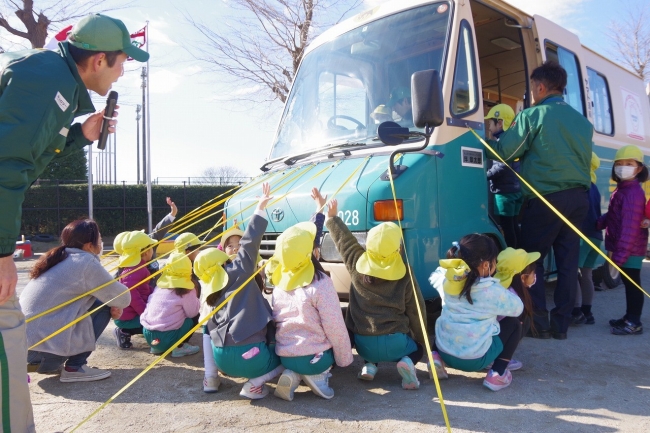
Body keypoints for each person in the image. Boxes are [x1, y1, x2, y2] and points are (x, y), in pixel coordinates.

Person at [0, 13, 148, 430]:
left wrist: (80, 135)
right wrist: (1, 253)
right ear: (99, 60)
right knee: (5, 351)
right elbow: (7, 167)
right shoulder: (49, 77)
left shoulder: (53, 77)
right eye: (122, 61)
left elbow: (28, 157)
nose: (124, 70)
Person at [488, 61, 593, 340]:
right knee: (568, 262)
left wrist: (488, 140)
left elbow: (507, 153)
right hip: (579, 198)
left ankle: (537, 322)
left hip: (547, 199)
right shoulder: (582, 122)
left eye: (532, 88)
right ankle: (561, 325)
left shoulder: (533, 116)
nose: (531, 93)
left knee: (530, 259)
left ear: (541, 86)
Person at [325, 199, 427, 390]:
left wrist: (332, 218)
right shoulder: (406, 272)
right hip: (396, 342)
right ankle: (406, 363)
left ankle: (370, 366)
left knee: (371, 345)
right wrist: (421, 339)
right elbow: (416, 309)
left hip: (364, 344)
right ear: (398, 248)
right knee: (417, 350)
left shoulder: (356, 263)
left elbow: (344, 241)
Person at [22, 219, 131, 382]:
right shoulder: (85, 262)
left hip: (22, 351)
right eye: (99, 239)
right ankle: (75, 367)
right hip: (42, 354)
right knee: (103, 304)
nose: (101, 243)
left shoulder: (59, 258)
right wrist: (113, 304)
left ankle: (61, 362)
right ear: (89, 245)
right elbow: (123, 298)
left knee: (98, 301)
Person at [205, 183, 285, 400]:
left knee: (206, 327)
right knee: (287, 359)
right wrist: (259, 208)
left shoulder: (214, 281)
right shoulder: (241, 270)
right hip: (253, 357)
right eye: (230, 246)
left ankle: (210, 377)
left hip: (221, 358)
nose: (237, 248)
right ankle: (255, 385)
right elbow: (251, 243)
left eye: (238, 245)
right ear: (223, 251)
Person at [428, 234, 523, 391]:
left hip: (446, 352)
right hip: (476, 360)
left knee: (445, 318)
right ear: (486, 265)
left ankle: (435, 357)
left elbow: (434, 275)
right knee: (513, 324)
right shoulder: (492, 290)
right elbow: (518, 308)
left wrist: (451, 269)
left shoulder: (446, 281)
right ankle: (497, 373)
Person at [271, 222, 353, 401]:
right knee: (329, 352)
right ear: (310, 253)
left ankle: (294, 374)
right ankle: (319, 376)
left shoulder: (278, 285)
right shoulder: (320, 283)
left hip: (286, 356)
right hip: (315, 357)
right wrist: (344, 359)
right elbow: (334, 326)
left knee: (298, 362)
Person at [597, 145, 649, 335]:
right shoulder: (623, 189)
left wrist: (619, 257)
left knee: (633, 284)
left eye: (629, 163)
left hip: (631, 249)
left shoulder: (632, 193)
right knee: (629, 285)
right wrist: (598, 223)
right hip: (626, 247)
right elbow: (613, 216)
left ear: (639, 168)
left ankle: (634, 323)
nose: (623, 167)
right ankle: (629, 317)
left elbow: (629, 228)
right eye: (619, 164)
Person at [140, 252, 201, 357]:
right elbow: (192, 313)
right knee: (194, 318)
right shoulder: (186, 290)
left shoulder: (160, 286)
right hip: (166, 337)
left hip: (149, 335)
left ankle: (157, 348)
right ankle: (179, 346)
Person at [493, 247, 541, 369]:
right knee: (522, 322)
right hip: (490, 344)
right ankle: (499, 359)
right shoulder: (514, 298)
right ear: (523, 277)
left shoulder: (495, 286)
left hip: (480, 341)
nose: (535, 276)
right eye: (533, 273)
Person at [193, 247, 231, 393]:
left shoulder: (205, 286)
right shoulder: (234, 286)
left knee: (206, 329)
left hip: (218, 354)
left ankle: (210, 377)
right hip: (240, 355)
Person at [485, 104, 522, 248]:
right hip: (516, 190)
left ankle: (511, 254)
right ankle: (519, 252)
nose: (488, 128)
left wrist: (484, 175)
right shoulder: (513, 140)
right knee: (513, 224)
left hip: (505, 193)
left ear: (500, 123)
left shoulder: (502, 144)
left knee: (507, 226)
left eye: (490, 124)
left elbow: (500, 167)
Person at [573, 153, 603, 325]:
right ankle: (587, 311)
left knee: (573, 273)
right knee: (587, 275)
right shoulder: (595, 187)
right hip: (596, 237)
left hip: (583, 236)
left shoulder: (581, 186)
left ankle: (576, 311)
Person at [112, 231, 157, 349]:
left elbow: (143, 289)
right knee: (157, 324)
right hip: (127, 318)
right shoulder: (137, 269)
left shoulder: (137, 267)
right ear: (147, 252)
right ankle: (123, 331)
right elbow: (131, 294)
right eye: (152, 248)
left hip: (131, 314)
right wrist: (144, 314)